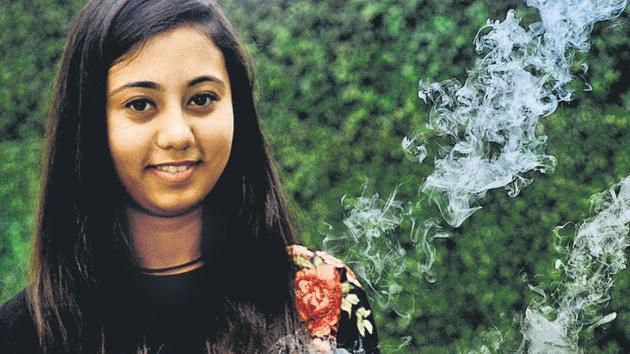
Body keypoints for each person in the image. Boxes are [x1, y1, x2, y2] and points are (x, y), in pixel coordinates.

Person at [0, 0, 379, 353]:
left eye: (201, 99)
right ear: (87, 123)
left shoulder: (323, 297)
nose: (178, 135)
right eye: (140, 104)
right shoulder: (24, 334)